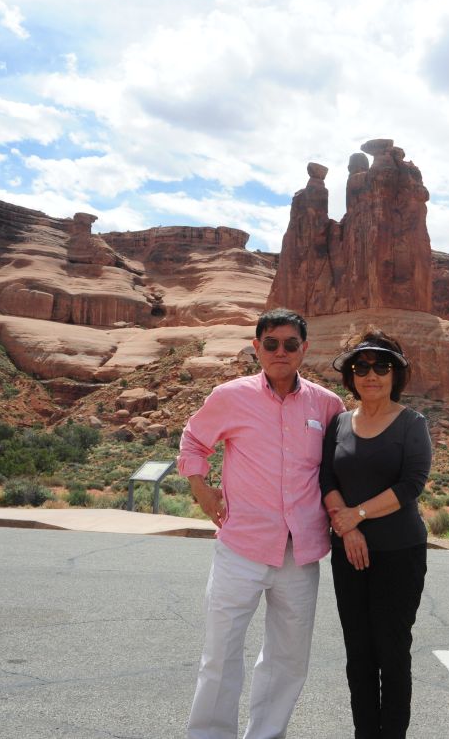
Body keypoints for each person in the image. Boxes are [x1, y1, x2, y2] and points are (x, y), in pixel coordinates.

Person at [180, 308, 345, 739]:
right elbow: (194, 441)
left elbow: (341, 467)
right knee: (220, 654)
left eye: (290, 344)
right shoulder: (230, 396)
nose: (280, 352)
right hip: (242, 548)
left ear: (304, 349)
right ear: (257, 348)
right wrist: (202, 489)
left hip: (300, 554)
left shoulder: (328, 405)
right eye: (271, 344)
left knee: (288, 659)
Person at [320, 329, 432, 739]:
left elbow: (411, 484)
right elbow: (326, 478)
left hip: (399, 553)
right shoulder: (338, 423)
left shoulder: (411, 423)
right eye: (362, 366)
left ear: (395, 375)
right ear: (351, 375)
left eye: (382, 366)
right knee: (359, 653)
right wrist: (347, 528)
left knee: (392, 651)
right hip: (348, 553)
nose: (371, 374)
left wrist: (358, 515)